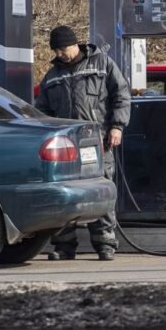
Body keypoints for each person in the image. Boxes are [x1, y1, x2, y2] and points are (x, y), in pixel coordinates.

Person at [35, 25, 131, 261]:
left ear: (74, 44)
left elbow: (121, 94)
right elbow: (42, 111)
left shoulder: (102, 63)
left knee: (100, 192)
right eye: (56, 51)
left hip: (97, 143)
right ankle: (64, 246)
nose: (59, 54)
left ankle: (105, 244)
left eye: (63, 49)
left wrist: (117, 126)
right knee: (64, 194)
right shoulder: (52, 76)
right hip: (66, 147)